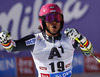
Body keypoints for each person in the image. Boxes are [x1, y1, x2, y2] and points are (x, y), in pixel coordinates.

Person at [0, 3, 93, 77]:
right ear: (43, 22)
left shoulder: (69, 38)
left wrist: (81, 38)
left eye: (57, 18)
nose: (54, 22)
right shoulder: (35, 40)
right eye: (50, 18)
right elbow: (12, 47)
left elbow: (88, 52)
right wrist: (5, 41)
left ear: (62, 21)